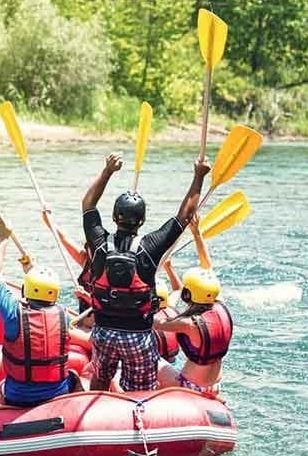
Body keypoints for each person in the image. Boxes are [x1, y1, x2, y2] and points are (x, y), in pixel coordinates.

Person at [81, 152, 211, 391]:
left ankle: (97, 398)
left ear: (113, 217)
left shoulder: (99, 242)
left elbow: (88, 205)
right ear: (141, 221)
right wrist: (198, 176)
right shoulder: (150, 246)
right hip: (138, 335)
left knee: (99, 379)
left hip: (103, 333)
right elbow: (184, 216)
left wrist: (107, 171)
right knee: (140, 390)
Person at [0, 216, 82, 407]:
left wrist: (3, 237)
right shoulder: (63, 315)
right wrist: (31, 270)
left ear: (27, 288)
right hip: (58, 392)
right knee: (74, 376)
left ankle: (0, 412)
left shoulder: (14, 312)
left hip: (18, 396)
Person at [156, 213, 233, 395]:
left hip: (189, 385)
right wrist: (196, 234)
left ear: (189, 293)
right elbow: (208, 267)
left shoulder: (188, 324)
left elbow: (155, 323)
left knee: (153, 358)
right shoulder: (219, 304)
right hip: (214, 386)